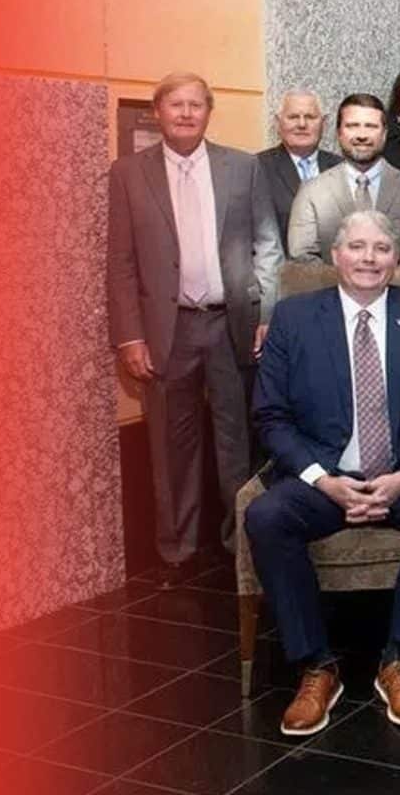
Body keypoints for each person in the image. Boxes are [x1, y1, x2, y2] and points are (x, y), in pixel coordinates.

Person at [250, 210, 400, 736]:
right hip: (326, 479)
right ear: (335, 255)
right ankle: (315, 666)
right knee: (266, 517)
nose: (369, 258)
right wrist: (323, 480)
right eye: (357, 247)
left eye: (381, 248)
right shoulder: (294, 318)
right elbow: (270, 415)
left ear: (397, 260)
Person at [107, 72, 282, 584]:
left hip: (232, 324)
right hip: (168, 330)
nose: (185, 114)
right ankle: (177, 549)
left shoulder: (242, 168)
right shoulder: (127, 174)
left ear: (209, 113)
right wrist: (129, 337)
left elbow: (267, 247)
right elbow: (120, 262)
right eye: (175, 105)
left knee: (237, 440)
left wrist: (268, 313)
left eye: (195, 106)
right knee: (169, 443)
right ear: (157, 112)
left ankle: (240, 543)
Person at [289, 94, 400, 266]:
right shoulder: (311, 192)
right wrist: (349, 287)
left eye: (371, 126)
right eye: (352, 126)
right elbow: (302, 256)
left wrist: (382, 285)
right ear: (339, 134)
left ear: (384, 134)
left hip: (398, 290)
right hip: (333, 290)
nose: (362, 135)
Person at [258, 90, 344, 258]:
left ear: (323, 123)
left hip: (335, 276)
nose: (302, 124)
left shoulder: (341, 168)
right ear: (278, 122)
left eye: (310, 117)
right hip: (282, 278)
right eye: (293, 117)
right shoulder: (257, 168)